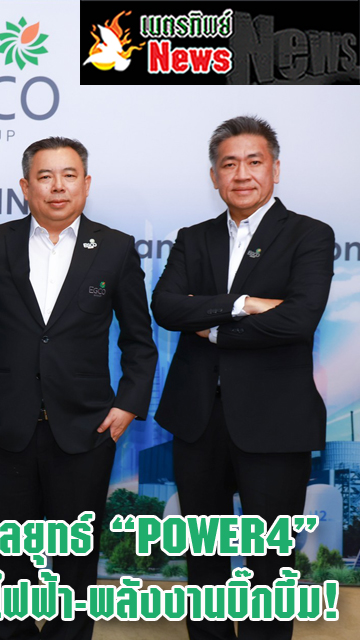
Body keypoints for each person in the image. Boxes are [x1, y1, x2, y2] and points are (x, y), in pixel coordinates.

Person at [152, 115, 335, 640]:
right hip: (198, 419)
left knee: (270, 566)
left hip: (275, 421)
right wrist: (246, 304)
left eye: (254, 162)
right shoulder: (194, 238)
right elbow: (166, 306)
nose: (242, 174)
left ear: (275, 169)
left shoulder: (309, 234)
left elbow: (298, 320)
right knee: (204, 560)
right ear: (214, 176)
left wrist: (213, 326)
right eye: (229, 164)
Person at [0, 137, 157, 640]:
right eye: (46, 176)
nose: (58, 186)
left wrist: (127, 405)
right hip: (5, 425)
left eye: (69, 175)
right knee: (10, 559)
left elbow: (139, 340)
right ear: (25, 186)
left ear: (86, 184)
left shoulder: (114, 247)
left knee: (75, 562)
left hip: (85, 428)